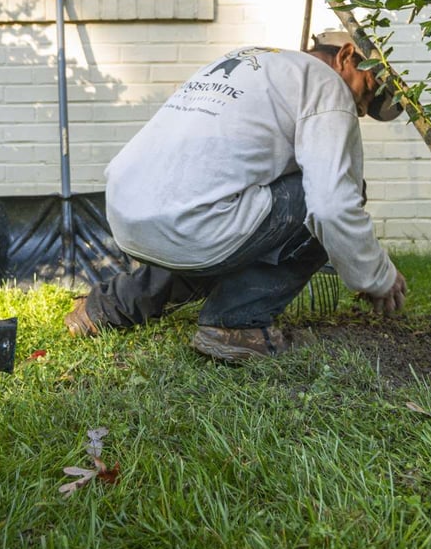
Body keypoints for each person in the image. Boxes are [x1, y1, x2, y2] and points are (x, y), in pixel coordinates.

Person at [65, 30, 408, 361]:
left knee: (219, 211)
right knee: (337, 187)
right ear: (346, 57)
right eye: (365, 92)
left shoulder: (251, 61)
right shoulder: (327, 84)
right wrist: (376, 276)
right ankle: (235, 323)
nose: (358, 109)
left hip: (128, 210)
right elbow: (332, 207)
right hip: (195, 226)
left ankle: (108, 306)